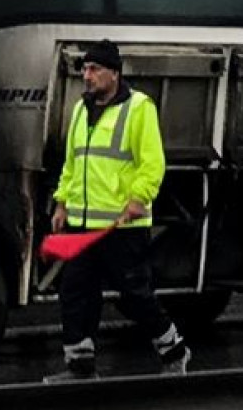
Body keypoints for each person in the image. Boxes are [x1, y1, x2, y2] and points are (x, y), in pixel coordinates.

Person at [46, 39, 189, 381]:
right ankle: (79, 367)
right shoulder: (81, 109)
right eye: (84, 68)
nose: (86, 75)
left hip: (121, 225)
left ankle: (175, 351)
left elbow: (152, 163)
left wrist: (138, 200)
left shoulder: (139, 108)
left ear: (114, 72)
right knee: (75, 293)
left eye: (94, 69)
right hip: (82, 224)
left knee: (134, 294)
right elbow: (72, 161)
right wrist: (62, 202)